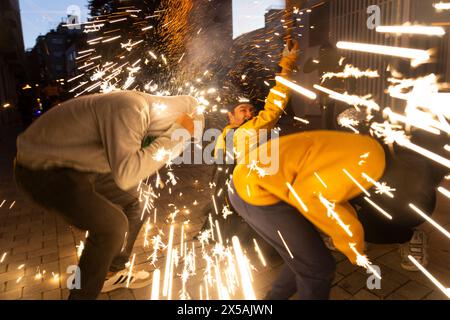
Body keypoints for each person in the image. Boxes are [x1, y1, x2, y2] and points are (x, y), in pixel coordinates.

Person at [14, 90, 204, 299]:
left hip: (83, 167)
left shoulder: (147, 114)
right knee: (113, 227)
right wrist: (177, 136)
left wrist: (177, 135)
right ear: (173, 121)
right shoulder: (131, 107)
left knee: (140, 201)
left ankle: (111, 271)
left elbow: (137, 163)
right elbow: (127, 174)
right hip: (41, 169)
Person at [228, 130, 386, 300]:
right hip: (255, 190)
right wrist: (352, 244)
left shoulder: (367, 148)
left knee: (305, 256)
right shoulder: (368, 165)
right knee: (318, 268)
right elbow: (309, 196)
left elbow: (334, 192)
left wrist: (348, 233)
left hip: (258, 179)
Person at [199, 40, 299, 255]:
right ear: (230, 115)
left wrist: (287, 65)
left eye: (251, 109)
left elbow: (275, 104)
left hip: (247, 183)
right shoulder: (226, 130)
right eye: (243, 110)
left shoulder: (254, 127)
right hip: (224, 183)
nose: (249, 113)